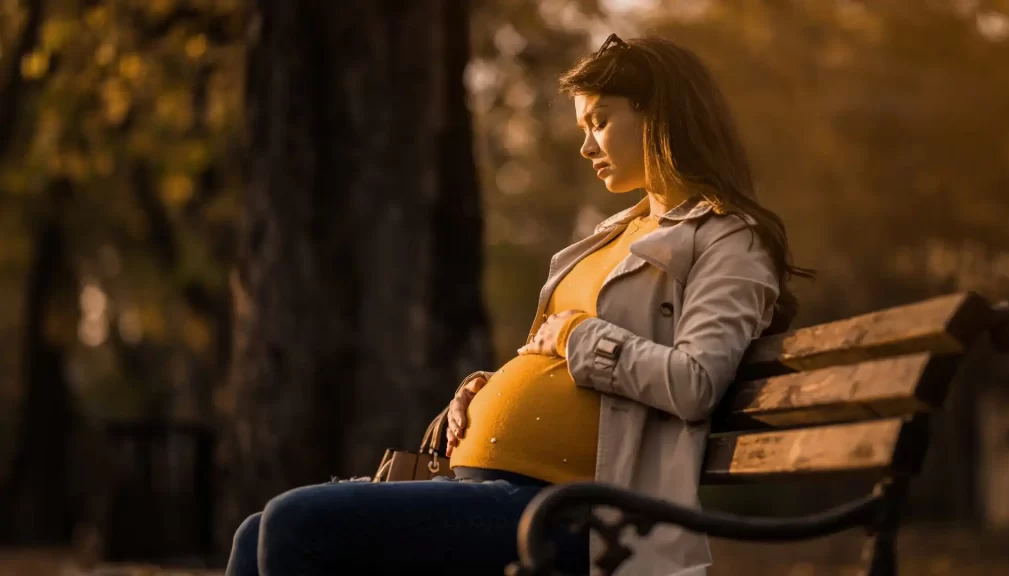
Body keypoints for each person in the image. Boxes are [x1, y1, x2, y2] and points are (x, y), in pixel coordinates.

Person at [225, 33, 811, 576]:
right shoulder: (615, 231)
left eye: (600, 122)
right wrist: (484, 389)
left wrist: (580, 338)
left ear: (657, 114)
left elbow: (695, 382)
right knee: (254, 533)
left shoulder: (728, 239)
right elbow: (554, 354)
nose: (586, 146)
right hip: (489, 485)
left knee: (296, 522)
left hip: (579, 513)